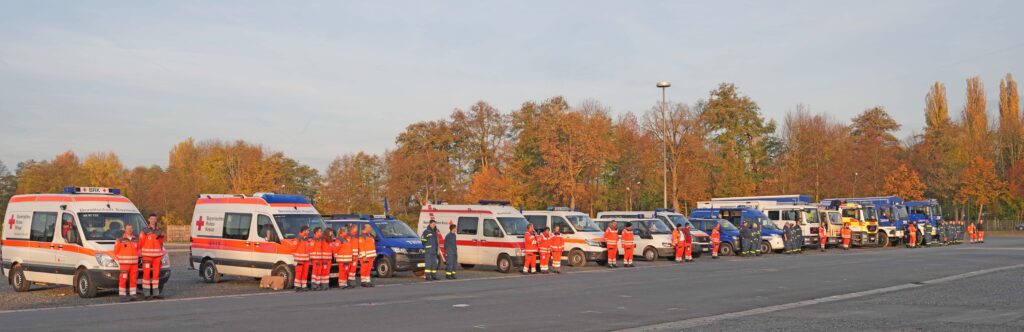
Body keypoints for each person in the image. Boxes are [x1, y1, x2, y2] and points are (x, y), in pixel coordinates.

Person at [138, 214, 166, 300]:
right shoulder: (144, 231)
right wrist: (140, 254)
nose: (153, 220)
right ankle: (146, 294)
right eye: (151, 219)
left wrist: (161, 255)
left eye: (154, 219)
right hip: (147, 256)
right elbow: (140, 243)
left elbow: (161, 243)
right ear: (148, 220)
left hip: (157, 256)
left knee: (156, 275)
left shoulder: (160, 231)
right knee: (146, 275)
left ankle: (155, 293)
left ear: (156, 220)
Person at [113, 223, 140, 302]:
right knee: (123, 279)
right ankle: (122, 295)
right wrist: (120, 261)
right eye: (128, 228)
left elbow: (138, 250)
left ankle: (133, 295)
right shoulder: (120, 239)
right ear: (125, 229)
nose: (130, 230)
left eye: (131, 228)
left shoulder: (136, 239)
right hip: (124, 264)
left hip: (134, 264)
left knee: (133, 279)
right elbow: (115, 252)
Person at [292, 226, 311, 291]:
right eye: (308, 230)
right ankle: (297, 286)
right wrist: (296, 258)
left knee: (305, 273)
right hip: (299, 259)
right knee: (299, 273)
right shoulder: (298, 238)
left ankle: (304, 286)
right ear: (304, 231)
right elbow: (293, 248)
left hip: (306, 259)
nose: (309, 232)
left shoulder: (306, 239)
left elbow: (309, 249)